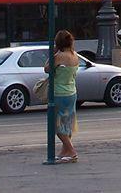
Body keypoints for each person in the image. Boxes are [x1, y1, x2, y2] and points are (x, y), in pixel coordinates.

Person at [44, 29, 79, 162]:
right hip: (72, 92)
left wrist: (52, 53)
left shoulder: (59, 56)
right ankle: (64, 151)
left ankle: (71, 150)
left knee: (56, 125)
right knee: (67, 122)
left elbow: (47, 68)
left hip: (59, 93)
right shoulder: (75, 55)